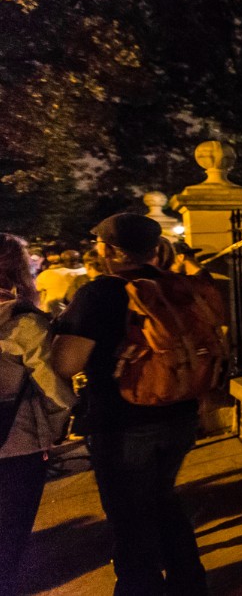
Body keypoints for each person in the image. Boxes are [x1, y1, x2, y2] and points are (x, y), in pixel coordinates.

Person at [52, 214, 208, 596]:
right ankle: (191, 584)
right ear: (154, 248)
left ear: (108, 249)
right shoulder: (177, 287)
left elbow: (65, 364)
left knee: (130, 517)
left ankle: (140, 589)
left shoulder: (98, 293)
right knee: (162, 499)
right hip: (181, 412)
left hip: (123, 422)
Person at [0, 233, 77, 596]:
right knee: (9, 538)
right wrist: (61, 425)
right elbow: (53, 387)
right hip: (15, 444)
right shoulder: (21, 321)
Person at [35, 249, 86, 317]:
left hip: (54, 316)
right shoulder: (88, 272)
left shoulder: (48, 274)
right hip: (81, 315)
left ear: (61, 260)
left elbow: (36, 290)